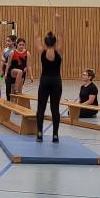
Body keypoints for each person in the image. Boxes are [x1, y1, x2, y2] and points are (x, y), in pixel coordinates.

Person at [32, 13, 63, 142]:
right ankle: (55, 135)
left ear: (45, 43)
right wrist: (58, 21)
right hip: (56, 81)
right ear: (55, 43)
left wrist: (36, 23)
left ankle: (39, 133)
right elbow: (61, 34)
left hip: (44, 81)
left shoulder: (42, 51)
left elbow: (36, 36)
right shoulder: (59, 50)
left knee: (41, 108)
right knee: (55, 109)